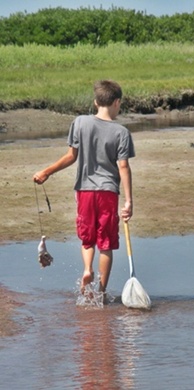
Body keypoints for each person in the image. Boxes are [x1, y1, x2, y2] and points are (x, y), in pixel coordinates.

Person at [33, 80, 135, 298]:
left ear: (95, 102)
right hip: (108, 191)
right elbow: (123, 167)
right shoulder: (122, 132)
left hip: (85, 191)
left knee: (88, 239)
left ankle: (87, 269)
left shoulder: (80, 122)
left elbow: (71, 156)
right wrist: (128, 201)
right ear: (117, 102)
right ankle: (102, 291)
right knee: (106, 243)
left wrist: (46, 172)